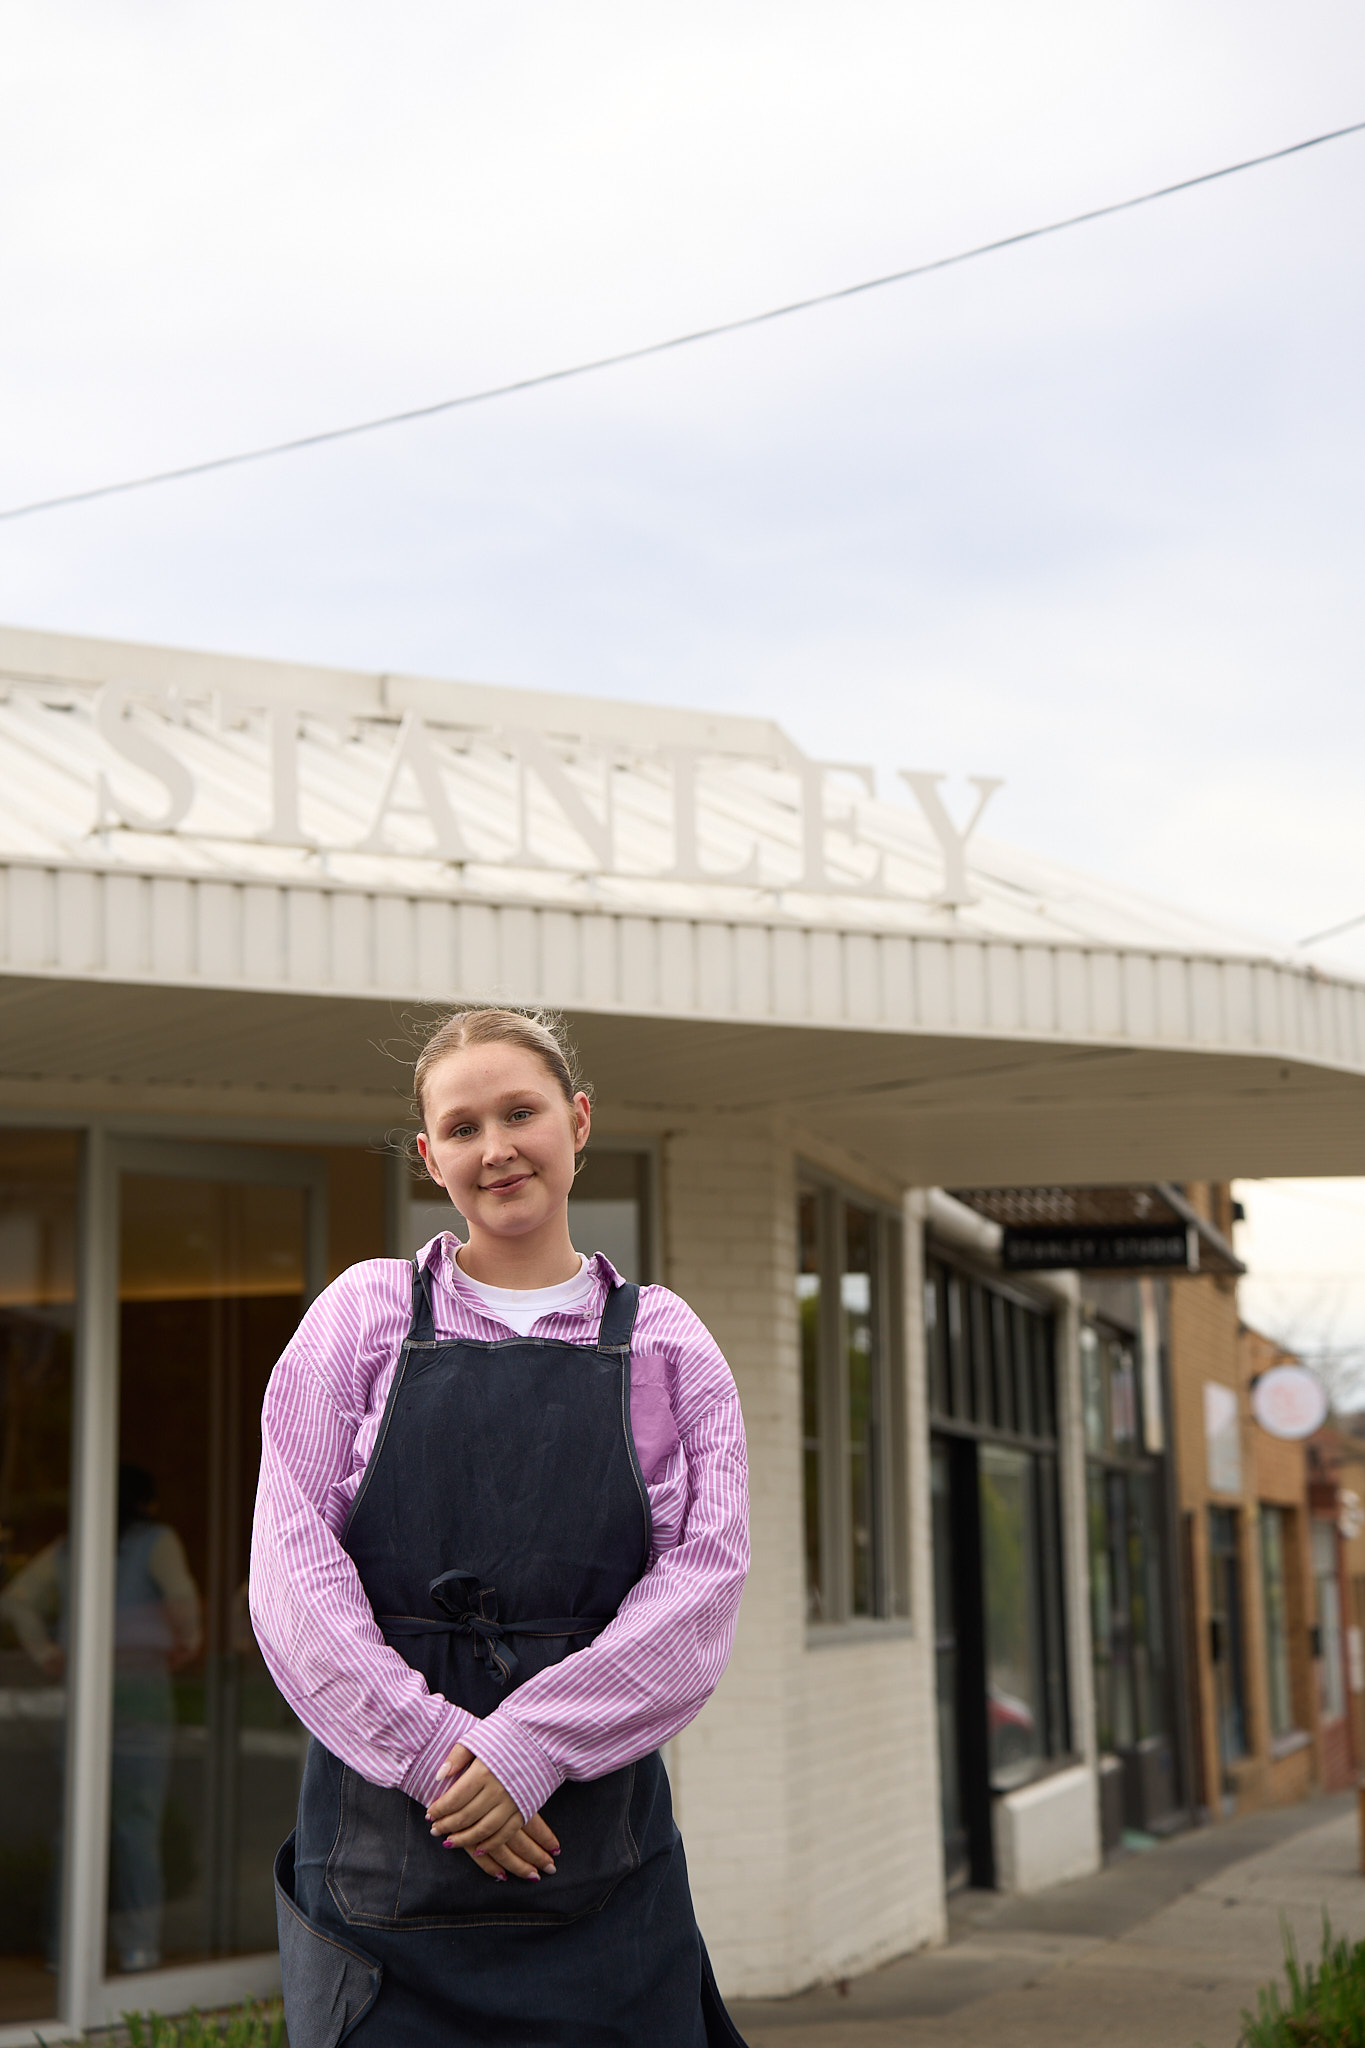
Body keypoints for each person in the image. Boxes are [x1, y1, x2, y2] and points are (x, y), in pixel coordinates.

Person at [250, 1006, 751, 2047]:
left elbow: (702, 1585)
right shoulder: (361, 1315)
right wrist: (441, 1756)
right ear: (430, 1156)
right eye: (464, 1127)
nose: (497, 1148)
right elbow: (292, 1571)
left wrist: (531, 1746)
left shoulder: (667, 1341)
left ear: (578, 1119)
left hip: (596, 1859)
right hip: (388, 1858)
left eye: (520, 1112)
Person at [1, 1463, 202, 1973]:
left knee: (74, 1823)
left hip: (83, 1690)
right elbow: (181, 1599)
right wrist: (187, 1642)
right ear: (145, 1503)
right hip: (141, 1688)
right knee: (137, 1824)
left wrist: (45, 1651)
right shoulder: (157, 1541)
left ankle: (63, 1948)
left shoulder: (72, 1547)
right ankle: (139, 1948)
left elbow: (17, 1601)